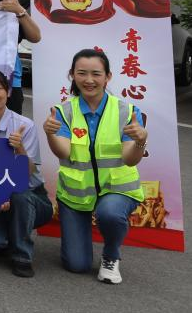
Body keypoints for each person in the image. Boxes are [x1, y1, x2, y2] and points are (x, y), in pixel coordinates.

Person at [43, 49, 148, 284]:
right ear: (72, 75)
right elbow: (63, 152)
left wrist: (141, 140)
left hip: (116, 190)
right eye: (82, 73)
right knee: (76, 265)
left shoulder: (128, 112)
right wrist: (50, 134)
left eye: (96, 74)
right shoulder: (63, 111)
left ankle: (111, 255)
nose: (89, 80)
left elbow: (130, 159)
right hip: (76, 194)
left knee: (109, 213)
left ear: (108, 76)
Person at [0, 68, 52, 278]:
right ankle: (15, 233)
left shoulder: (25, 125)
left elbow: (29, 173)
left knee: (19, 196)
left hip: (30, 196)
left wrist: (19, 149)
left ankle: (22, 256)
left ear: (8, 92)